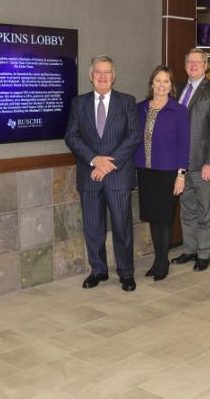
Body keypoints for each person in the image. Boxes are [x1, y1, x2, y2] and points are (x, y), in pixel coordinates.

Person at [65, 55, 141, 292]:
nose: (102, 76)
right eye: (98, 71)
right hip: (89, 176)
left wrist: (109, 164)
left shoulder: (127, 101)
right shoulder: (79, 103)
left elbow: (134, 136)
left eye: (107, 71)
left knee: (122, 227)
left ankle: (126, 272)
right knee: (93, 227)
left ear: (114, 76)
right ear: (91, 76)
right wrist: (95, 160)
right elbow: (71, 136)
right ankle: (98, 270)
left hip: (118, 176)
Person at [171, 48, 210, 272]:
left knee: (207, 211)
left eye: (197, 62)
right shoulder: (179, 89)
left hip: (204, 164)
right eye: (189, 62)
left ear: (205, 66)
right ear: (185, 66)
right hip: (182, 165)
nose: (193, 66)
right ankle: (190, 249)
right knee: (188, 210)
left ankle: (204, 254)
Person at [134, 66, 190, 282]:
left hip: (168, 173)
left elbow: (184, 145)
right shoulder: (140, 108)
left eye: (166, 81)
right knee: (153, 218)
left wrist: (181, 175)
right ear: (152, 83)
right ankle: (158, 260)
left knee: (165, 219)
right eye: (158, 80)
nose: (161, 85)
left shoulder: (179, 111)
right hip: (146, 172)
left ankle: (162, 262)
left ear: (171, 85)